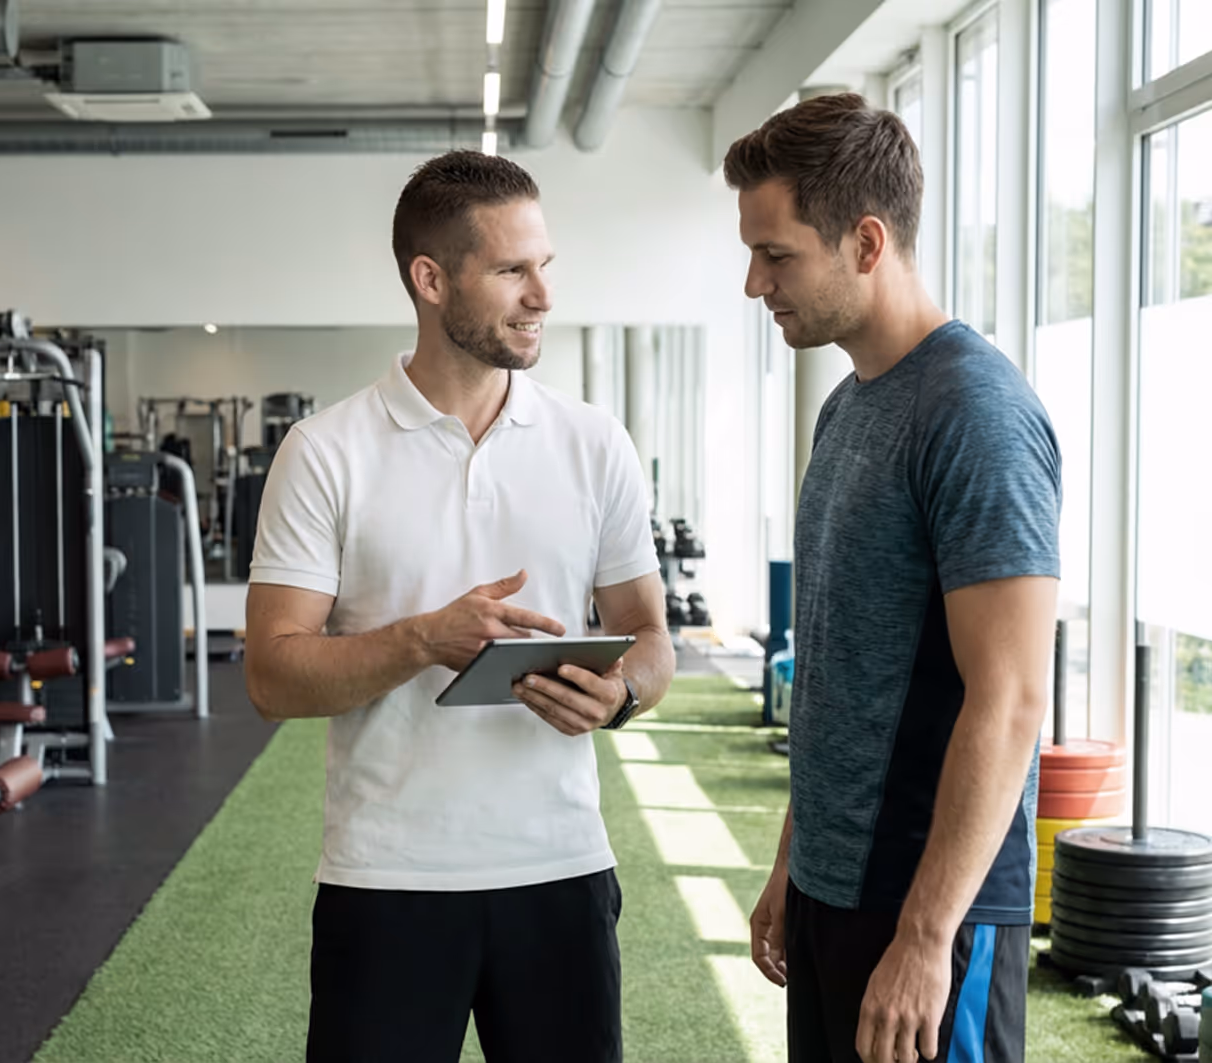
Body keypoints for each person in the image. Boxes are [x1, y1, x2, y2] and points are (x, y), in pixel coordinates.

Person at [243, 150, 675, 1063]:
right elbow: (273, 674)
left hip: (561, 871)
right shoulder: (324, 452)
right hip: (386, 880)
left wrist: (624, 692)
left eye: (545, 265)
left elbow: (649, 635)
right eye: (512, 270)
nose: (542, 295)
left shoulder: (594, 443)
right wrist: (418, 639)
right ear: (430, 279)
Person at [724, 94, 1061, 1063]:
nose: (754, 282)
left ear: (864, 241)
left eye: (775, 254)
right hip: (837, 893)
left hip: (930, 914)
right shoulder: (845, 411)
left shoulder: (976, 415)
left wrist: (923, 937)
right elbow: (840, 666)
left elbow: (1008, 697)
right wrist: (797, 860)